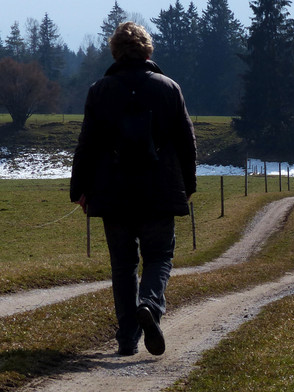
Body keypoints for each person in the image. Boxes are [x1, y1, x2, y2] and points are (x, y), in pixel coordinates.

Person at [70, 21, 197, 356]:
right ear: (147, 49)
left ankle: (127, 337)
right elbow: (187, 142)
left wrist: (79, 189)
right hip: (158, 191)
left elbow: (87, 144)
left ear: (115, 50)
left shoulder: (100, 90)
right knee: (159, 256)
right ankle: (150, 307)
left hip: (113, 194)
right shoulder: (169, 88)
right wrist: (188, 185)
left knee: (123, 265)